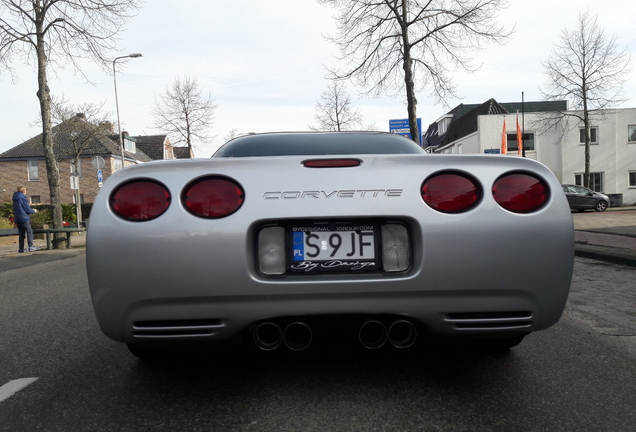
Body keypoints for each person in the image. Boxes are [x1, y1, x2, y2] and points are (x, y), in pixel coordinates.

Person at [12, 186, 39, 253]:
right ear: (24, 192)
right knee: (29, 231)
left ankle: (21, 248)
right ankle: (31, 246)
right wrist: (34, 211)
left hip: (18, 218)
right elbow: (27, 209)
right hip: (24, 218)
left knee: (21, 234)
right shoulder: (23, 199)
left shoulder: (15, 199)